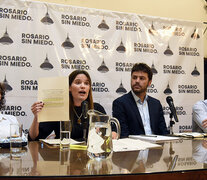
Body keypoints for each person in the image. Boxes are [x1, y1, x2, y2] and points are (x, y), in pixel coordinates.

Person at [28, 70, 106, 141]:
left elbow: (111, 133)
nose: (83, 86)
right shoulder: (58, 109)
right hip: (64, 154)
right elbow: (34, 137)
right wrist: (36, 117)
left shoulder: (97, 109)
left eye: (86, 83)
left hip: (90, 154)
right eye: (78, 82)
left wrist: (110, 133)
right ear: (69, 88)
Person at [112, 63, 169, 138]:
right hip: (134, 147)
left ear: (149, 82)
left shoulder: (156, 104)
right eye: (134, 77)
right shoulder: (120, 103)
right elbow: (123, 134)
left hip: (156, 147)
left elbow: (163, 132)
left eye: (142, 78)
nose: (137, 81)